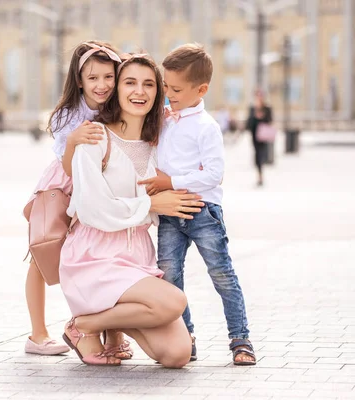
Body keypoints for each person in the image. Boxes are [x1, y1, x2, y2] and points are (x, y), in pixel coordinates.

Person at [59, 54, 204, 367]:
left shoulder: (159, 144)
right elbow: (91, 208)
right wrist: (151, 204)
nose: (140, 91)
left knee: (177, 353)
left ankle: (95, 322)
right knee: (174, 301)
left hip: (136, 257)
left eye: (149, 84)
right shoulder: (95, 137)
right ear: (117, 90)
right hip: (95, 256)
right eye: (130, 83)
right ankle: (85, 325)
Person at [138, 43, 256, 366]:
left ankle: (240, 338)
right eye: (166, 85)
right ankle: (185, 337)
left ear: (200, 90)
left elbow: (215, 174)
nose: (167, 92)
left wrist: (170, 182)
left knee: (221, 273)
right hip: (170, 213)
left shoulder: (207, 127)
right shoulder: (162, 120)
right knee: (170, 275)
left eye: (175, 89)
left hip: (203, 212)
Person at [22, 41, 123, 356]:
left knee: (102, 255)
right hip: (63, 188)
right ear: (80, 81)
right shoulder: (70, 113)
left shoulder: (119, 106)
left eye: (108, 77)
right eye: (93, 78)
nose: (102, 85)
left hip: (100, 188)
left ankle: (109, 334)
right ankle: (37, 335)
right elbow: (67, 166)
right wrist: (74, 142)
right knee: (43, 254)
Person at [246, 89, 273, 186]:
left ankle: (261, 175)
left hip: (263, 135)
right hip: (255, 135)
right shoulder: (252, 108)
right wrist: (255, 117)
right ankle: (259, 174)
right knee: (257, 154)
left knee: (261, 154)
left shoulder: (267, 108)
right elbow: (249, 123)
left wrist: (262, 117)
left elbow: (270, 120)